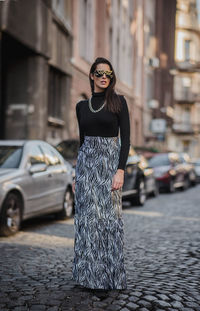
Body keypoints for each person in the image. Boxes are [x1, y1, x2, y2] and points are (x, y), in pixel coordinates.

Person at [72, 57, 130, 290]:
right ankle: (87, 277)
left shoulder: (119, 102)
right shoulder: (81, 107)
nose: (104, 76)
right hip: (87, 169)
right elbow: (82, 141)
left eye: (108, 74)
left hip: (109, 169)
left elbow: (125, 140)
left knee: (109, 222)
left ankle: (108, 277)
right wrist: (77, 175)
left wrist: (120, 170)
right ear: (92, 76)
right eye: (99, 73)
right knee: (86, 223)